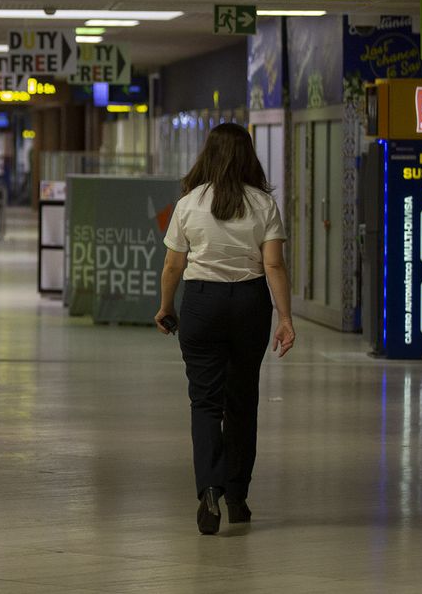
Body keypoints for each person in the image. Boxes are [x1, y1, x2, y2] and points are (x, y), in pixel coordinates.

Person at [154, 123, 295, 535]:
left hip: (201, 303)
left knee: (205, 403)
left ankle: (209, 490)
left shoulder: (189, 203)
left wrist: (166, 308)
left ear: (208, 154)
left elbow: (173, 266)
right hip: (249, 304)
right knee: (242, 401)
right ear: (248, 155)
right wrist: (285, 318)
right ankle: (237, 495)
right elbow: (273, 265)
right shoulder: (262, 203)